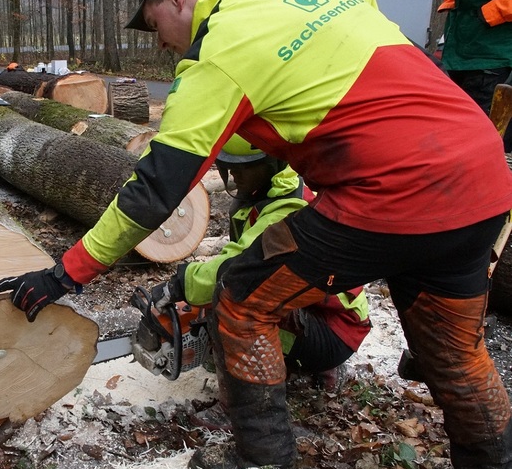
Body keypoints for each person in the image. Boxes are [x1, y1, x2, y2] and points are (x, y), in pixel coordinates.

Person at [0, 0, 512, 469]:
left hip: (391, 193)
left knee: (242, 296)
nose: (159, 43)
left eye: (154, 25)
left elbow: (156, 189)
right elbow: (365, 15)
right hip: (481, 175)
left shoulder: (222, 51)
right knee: (456, 357)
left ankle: (262, 463)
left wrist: (65, 275)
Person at [151, 141, 370, 411]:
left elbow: (237, 269)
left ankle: (241, 406)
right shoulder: (262, 198)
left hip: (334, 326)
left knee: (230, 310)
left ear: (270, 166)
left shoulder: (286, 209)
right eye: (229, 169)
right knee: (223, 302)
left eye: (243, 169)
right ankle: (304, 365)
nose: (235, 176)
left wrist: (181, 283)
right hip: (317, 314)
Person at [437, 0, 512, 148]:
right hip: (460, 44)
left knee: (482, 132)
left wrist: (490, 14)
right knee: (455, 122)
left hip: (494, 52)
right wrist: (451, 1)